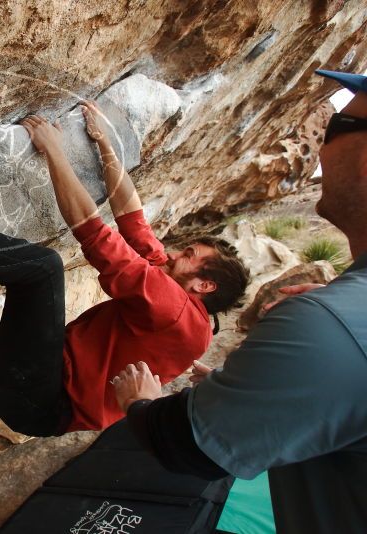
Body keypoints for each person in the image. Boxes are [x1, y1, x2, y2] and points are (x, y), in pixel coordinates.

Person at [0, 100, 248, 437]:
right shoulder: (180, 299)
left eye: (191, 254)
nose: (176, 253)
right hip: (36, 392)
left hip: (48, 399)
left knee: (42, 269)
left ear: (204, 285)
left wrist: (54, 150)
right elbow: (133, 219)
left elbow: (96, 235)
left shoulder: (176, 314)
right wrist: (105, 146)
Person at [112, 69, 367, 533]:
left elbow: (185, 445)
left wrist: (141, 404)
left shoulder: (333, 323)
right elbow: (139, 231)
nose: (323, 149)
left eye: (334, 128)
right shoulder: (340, 319)